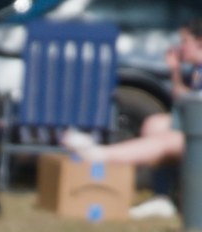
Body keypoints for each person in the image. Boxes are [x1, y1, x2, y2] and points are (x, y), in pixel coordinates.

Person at [63, 18, 202, 218]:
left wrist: (175, 71)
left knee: (173, 140)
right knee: (155, 125)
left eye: (184, 41)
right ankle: (163, 196)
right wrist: (175, 71)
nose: (179, 47)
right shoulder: (196, 71)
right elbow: (185, 101)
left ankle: (98, 155)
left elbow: (190, 102)